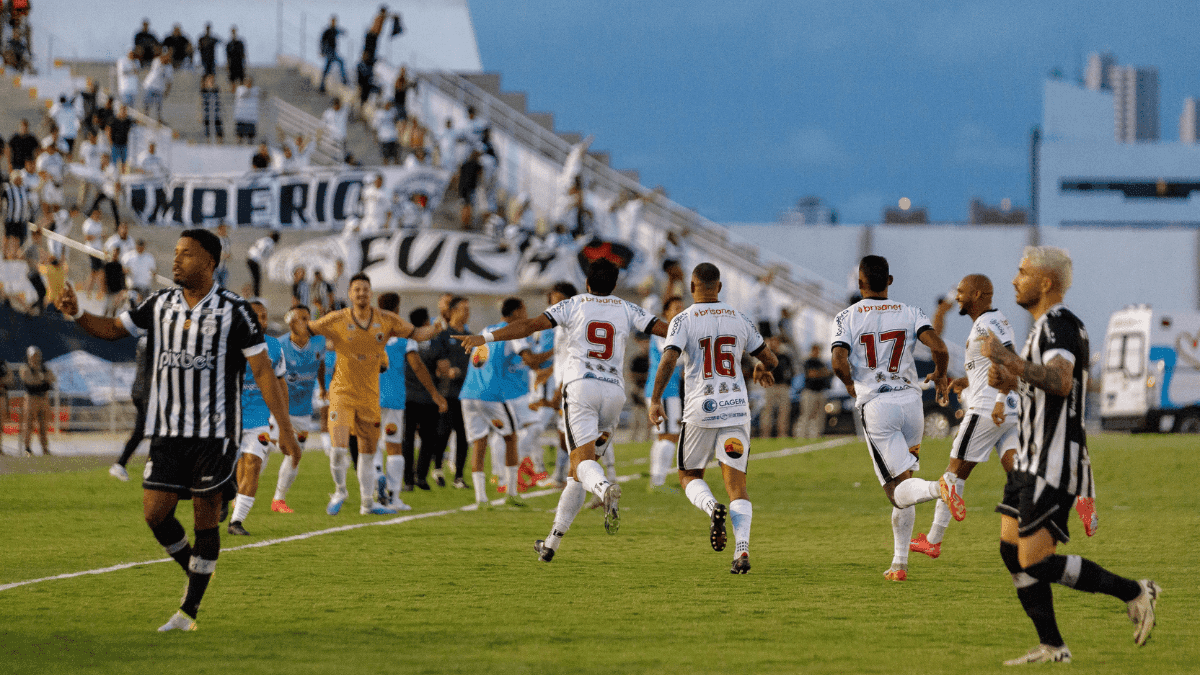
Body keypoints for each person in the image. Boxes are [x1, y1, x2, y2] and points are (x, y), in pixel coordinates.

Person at [55, 228, 301, 631]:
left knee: (205, 517)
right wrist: (78, 312)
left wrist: (285, 430)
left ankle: (189, 611)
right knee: (155, 514)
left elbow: (263, 371)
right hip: (168, 432)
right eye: (176, 252)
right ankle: (197, 568)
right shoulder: (159, 304)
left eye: (186, 254)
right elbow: (113, 329)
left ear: (210, 262)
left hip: (215, 433)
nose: (176, 259)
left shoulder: (235, 311)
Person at [978, 246, 1160, 664]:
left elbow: (1060, 382)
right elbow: (1046, 386)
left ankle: (1133, 590)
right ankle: (1053, 647)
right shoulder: (1044, 328)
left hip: (1052, 461)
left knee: (1036, 561)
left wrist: (1004, 357)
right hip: (1030, 458)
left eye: (1022, 273)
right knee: (1012, 552)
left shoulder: (1058, 326)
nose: (1014, 280)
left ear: (1044, 283)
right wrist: (1009, 378)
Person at [456, 260, 666, 560]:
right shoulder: (627, 308)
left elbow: (528, 326)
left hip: (581, 389)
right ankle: (551, 543)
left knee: (580, 464)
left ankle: (605, 487)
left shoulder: (574, 304)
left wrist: (486, 337)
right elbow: (664, 329)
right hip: (613, 392)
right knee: (576, 472)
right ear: (616, 285)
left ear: (586, 282)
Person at [829, 255, 955, 582]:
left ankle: (939, 488)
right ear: (890, 281)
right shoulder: (910, 312)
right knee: (905, 482)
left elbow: (838, 359)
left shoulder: (847, 316)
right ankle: (899, 564)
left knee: (896, 491)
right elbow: (939, 348)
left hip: (878, 406)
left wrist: (848, 385)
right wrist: (940, 375)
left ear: (859, 283)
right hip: (911, 403)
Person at [648, 263, 778, 573]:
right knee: (738, 486)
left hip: (700, 410)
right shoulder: (739, 317)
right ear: (719, 288)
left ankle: (711, 508)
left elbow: (669, 359)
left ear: (692, 288)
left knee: (688, 476)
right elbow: (771, 358)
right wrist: (763, 367)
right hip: (735, 410)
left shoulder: (683, 319)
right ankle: (742, 549)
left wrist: (655, 399)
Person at [303, 272, 441, 516]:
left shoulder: (386, 320)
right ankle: (340, 491)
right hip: (342, 392)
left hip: (369, 396)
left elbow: (417, 334)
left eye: (365, 289)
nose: (361, 293)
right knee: (338, 448)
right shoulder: (336, 318)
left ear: (371, 292)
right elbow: (308, 330)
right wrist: (297, 323)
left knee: (368, 452)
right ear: (350, 293)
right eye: (356, 289)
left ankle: (367, 504)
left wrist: (437, 327)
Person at [910, 274, 1021, 560]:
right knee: (1018, 473)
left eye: (961, 291)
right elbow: (988, 369)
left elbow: (1009, 361)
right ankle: (1064, 506)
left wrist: (997, 400)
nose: (957, 296)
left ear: (978, 293)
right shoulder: (985, 324)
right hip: (1006, 412)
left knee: (952, 474)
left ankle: (933, 540)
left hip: (987, 410)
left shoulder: (989, 323)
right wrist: (964, 381)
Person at [227, 299, 289, 536]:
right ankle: (224, 500)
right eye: (256, 316)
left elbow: (280, 384)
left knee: (253, 465)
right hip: (228, 418)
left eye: (264, 316)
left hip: (259, 419)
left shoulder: (273, 347)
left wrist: (284, 423)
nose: (261, 321)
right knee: (225, 470)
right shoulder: (228, 344)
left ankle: (237, 521)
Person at [378, 293, 443, 505]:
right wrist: (434, 393)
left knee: (370, 446)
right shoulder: (403, 334)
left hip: (369, 396)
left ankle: (372, 495)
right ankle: (394, 496)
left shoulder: (369, 332)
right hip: (394, 398)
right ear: (397, 309)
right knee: (394, 446)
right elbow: (416, 365)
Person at [269, 305, 326, 513]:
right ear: (291, 321)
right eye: (300, 318)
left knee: (295, 454)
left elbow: (320, 363)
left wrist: (322, 386)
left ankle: (279, 499)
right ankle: (240, 494)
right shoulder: (280, 345)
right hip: (277, 409)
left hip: (302, 410)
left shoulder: (319, 342)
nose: (305, 322)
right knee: (262, 448)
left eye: (307, 318)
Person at [644, 295, 684, 488]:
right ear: (665, 312)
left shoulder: (673, 331)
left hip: (669, 389)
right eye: (676, 307)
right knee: (670, 435)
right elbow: (671, 354)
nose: (680, 311)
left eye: (682, 308)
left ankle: (656, 480)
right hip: (663, 390)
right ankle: (658, 483)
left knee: (663, 435)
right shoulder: (664, 330)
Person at [111, 334, 149, 480]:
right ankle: (150, 468)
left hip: (140, 390)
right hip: (147, 391)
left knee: (141, 431)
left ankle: (120, 464)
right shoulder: (155, 338)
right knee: (153, 431)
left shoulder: (143, 339)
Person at [19, 345, 55, 456]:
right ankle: (27, 448)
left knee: (43, 425)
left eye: (37, 355)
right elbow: (30, 381)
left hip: (43, 398)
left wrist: (41, 379)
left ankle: (45, 448)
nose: (36, 358)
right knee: (29, 424)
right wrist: (42, 379)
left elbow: (52, 379)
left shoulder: (44, 368)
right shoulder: (25, 368)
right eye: (33, 356)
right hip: (31, 399)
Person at [758, 335, 795, 438]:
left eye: (776, 342)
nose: (774, 344)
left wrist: (788, 383)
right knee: (767, 411)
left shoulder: (785, 356)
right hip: (770, 386)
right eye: (772, 342)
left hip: (783, 386)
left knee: (784, 411)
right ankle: (765, 434)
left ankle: (782, 434)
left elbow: (791, 371)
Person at [799, 344, 832, 438]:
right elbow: (811, 374)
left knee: (820, 416)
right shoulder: (808, 361)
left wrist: (822, 372)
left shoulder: (821, 362)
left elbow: (828, 373)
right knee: (807, 415)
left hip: (820, 391)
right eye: (816, 350)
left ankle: (817, 435)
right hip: (810, 392)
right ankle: (802, 435)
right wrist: (822, 372)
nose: (817, 352)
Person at [3, 170, 34, 250]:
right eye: (18, 178)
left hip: (21, 217)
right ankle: (5, 253)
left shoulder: (24, 189)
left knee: (18, 237)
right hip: (11, 217)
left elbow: (31, 194)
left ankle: (15, 254)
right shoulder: (8, 189)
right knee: (8, 236)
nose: (20, 180)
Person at [122, 238, 157, 303]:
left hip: (145, 287)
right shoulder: (128, 256)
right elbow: (122, 268)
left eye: (142, 246)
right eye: (138, 245)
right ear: (136, 246)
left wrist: (151, 278)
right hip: (133, 286)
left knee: (143, 306)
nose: (140, 248)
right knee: (132, 305)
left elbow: (153, 270)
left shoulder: (149, 257)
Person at [318, 16, 347, 94]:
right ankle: (344, 80)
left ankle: (322, 86)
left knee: (327, 69)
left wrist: (343, 32)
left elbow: (341, 31)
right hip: (329, 52)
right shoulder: (328, 31)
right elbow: (322, 41)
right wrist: (322, 51)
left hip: (333, 52)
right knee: (340, 62)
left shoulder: (335, 30)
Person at [141, 53, 173, 123]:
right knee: (147, 103)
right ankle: (145, 117)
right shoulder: (157, 61)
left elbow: (170, 81)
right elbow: (160, 59)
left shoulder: (169, 67)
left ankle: (159, 118)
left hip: (160, 88)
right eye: (166, 57)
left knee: (159, 105)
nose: (168, 59)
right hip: (150, 85)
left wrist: (167, 91)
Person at [246, 230, 279, 297]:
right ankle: (255, 297)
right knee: (257, 280)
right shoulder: (270, 243)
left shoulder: (264, 239)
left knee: (255, 279)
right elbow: (264, 254)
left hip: (249, 258)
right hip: (254, 260)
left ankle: (253, 294)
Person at [234, 78, 260, 145]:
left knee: (251, 136)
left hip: (251, 117)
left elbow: (262, 95)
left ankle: (250, 147)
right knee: (240, 135)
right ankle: (239, 146)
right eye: (247, 82)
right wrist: (249, 90)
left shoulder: (255, 89)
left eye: (250, 82)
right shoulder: (240, 89)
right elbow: (243, 95)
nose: (248, 83)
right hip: (241, 116)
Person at [200, 74, 224, 142]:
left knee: (219, 130)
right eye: (209, 80)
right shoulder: (203, 91)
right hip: (207, 114)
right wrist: (200, 115)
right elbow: (200, 103)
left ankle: (219, 142)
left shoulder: (216, 90)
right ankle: (207, 142)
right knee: (207, 131)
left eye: (212, 80)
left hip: (216, 115)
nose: (211, 82)